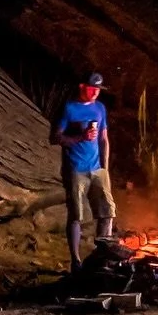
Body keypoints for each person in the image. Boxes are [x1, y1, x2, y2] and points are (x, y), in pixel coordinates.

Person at [50, 72, 115, 273]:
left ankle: (102, 257)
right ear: (82, 86)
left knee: (108, 212)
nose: (95, 92)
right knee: (76, 215)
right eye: (92, 88)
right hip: (76, 168)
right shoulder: (69, 108)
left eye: (98, 89)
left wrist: (105, 168)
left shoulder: (100, 108)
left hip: (97, 168)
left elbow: (104, 139)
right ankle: (76, 261)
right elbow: (55, 137)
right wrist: (80, 137)